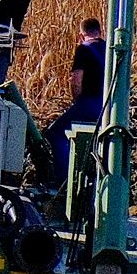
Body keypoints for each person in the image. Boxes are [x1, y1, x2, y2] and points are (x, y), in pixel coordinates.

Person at [45, 17, 107, 184]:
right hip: (107, 107)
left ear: (81, 35)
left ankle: (64, 181)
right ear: (100, 31)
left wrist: (77, 101)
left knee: (56, 134)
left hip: (88, 103)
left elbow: (76, 80)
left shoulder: (83, 49)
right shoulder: (109, 48)